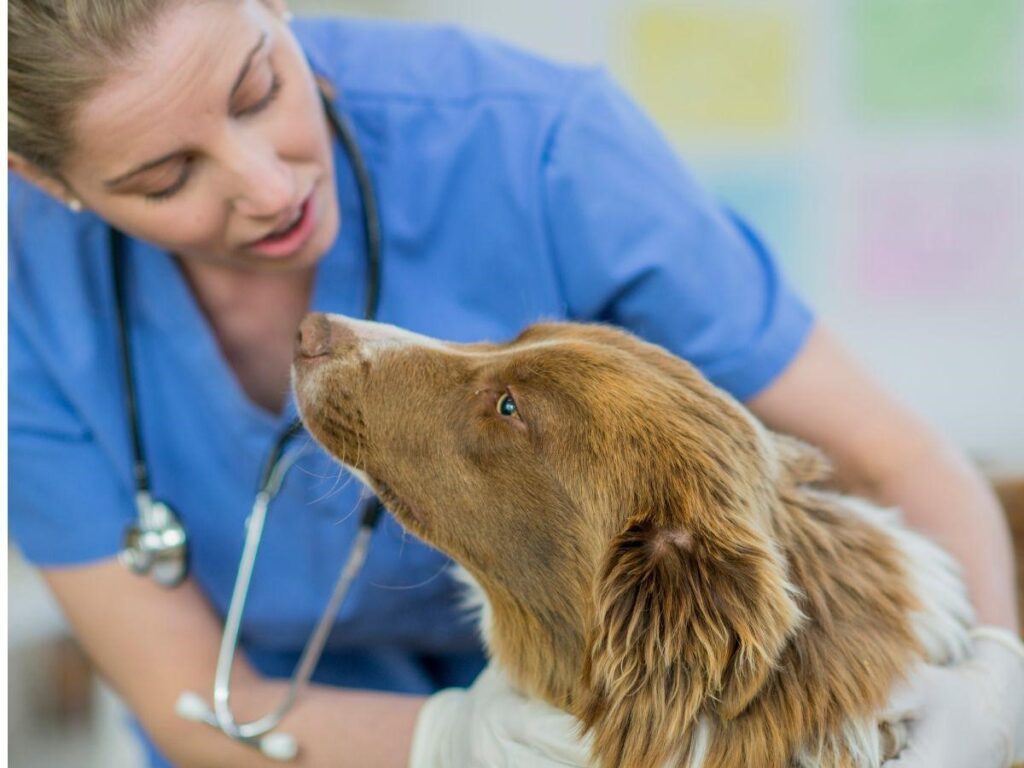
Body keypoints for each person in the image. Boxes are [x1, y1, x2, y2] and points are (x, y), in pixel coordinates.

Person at [7, 1, 1023, 766]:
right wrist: (465, 744)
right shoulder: (24, 298)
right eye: (164, 178)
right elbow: (193, 699)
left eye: (257, 90)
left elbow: (894, 454)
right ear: (44, 180)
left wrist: (992, 695)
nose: (268, 187)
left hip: (654, 699)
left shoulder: (536, 142)